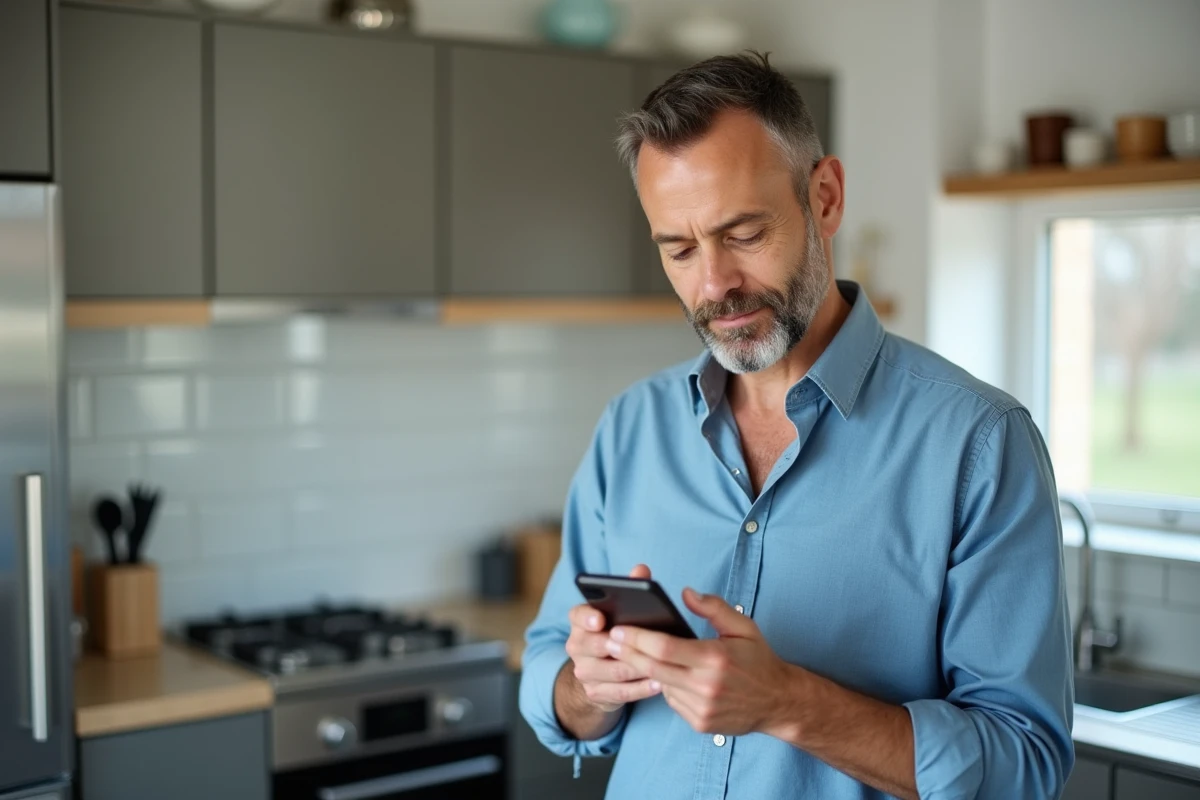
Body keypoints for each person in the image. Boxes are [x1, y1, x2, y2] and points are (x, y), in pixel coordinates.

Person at [519, 51, 1074, 800]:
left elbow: (1024, 762)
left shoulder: (979, 444)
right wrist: (591, 686)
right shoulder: (632, 429)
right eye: (679, 250)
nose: (714, 285)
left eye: (743, 233)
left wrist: (789, 705)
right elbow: (551, 672)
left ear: (826, 196)